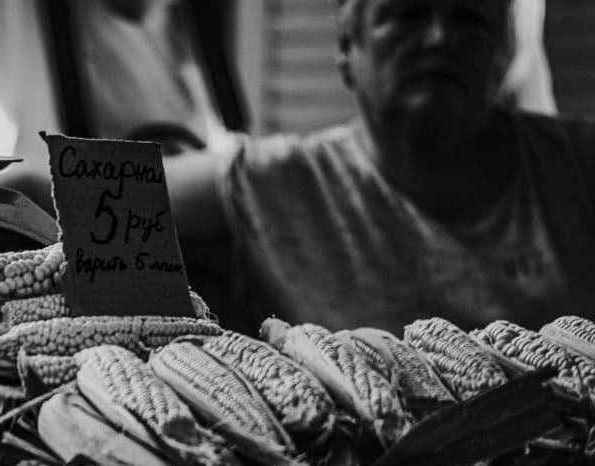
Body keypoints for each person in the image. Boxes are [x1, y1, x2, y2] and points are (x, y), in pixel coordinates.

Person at [166, 0, 595, 333]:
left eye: (470, 19)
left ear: (503, 54)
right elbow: (116, 189)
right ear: (347, 49)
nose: (440, 38)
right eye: (407, 15)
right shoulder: (286, 181)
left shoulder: (577, 165)